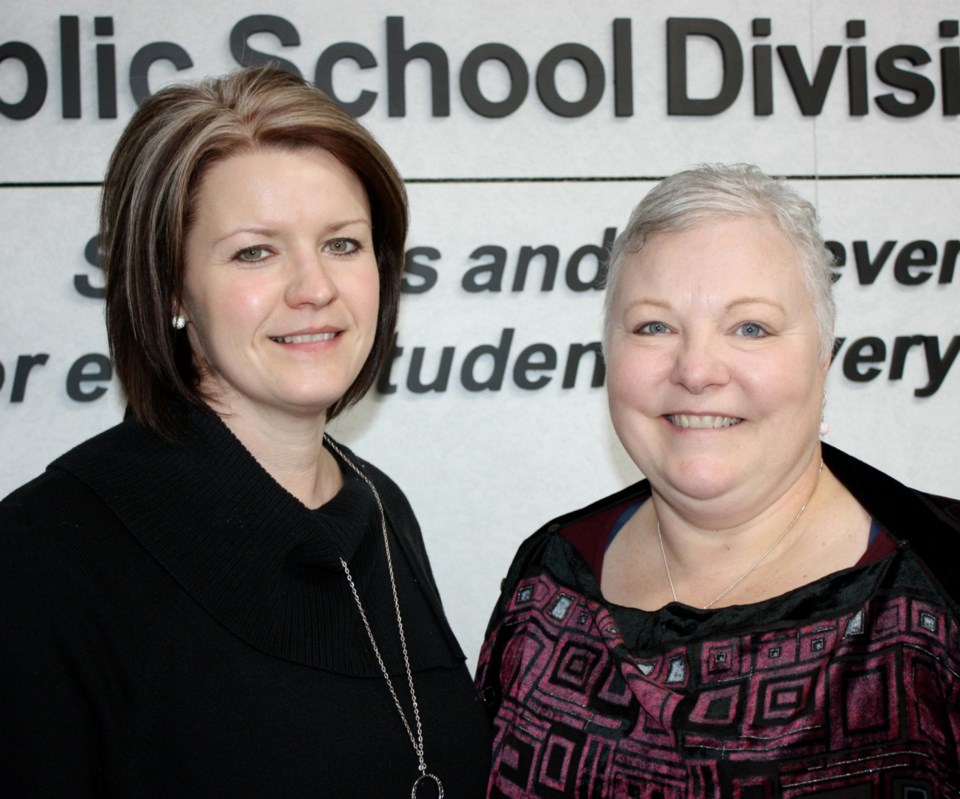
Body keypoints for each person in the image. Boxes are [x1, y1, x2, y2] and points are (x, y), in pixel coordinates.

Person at [0, 65, 489, 797]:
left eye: (343, 244)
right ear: (170, 285)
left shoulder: (379, 507)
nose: (314, 287)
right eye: (255, 251)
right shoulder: (48, 553)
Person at [475, 163, 960, 796]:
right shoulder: (546, 579)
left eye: (750, 327)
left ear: (824, 358)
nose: (697, 369)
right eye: (654, 326)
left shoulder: (943, 583)